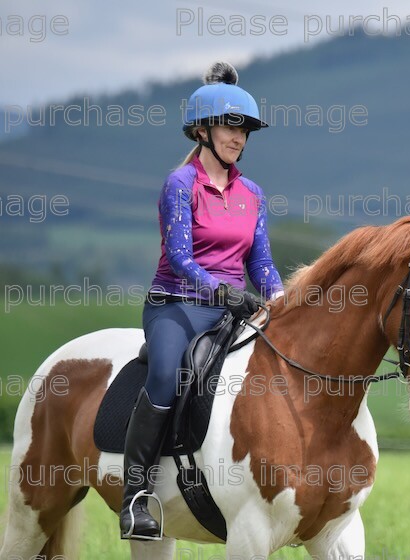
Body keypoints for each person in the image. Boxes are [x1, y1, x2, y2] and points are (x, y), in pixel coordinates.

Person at [120, 61, 284, 540]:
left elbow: (263, 264)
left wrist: (278, 296)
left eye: (245, 129)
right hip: (177, 302)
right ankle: (134, 496)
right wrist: (224, 293)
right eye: (230, 125)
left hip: (233, 307)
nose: (239, 136)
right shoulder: (180, 185)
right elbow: (180, 256)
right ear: (203, 129)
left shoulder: (252, 193)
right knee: (169, 375)